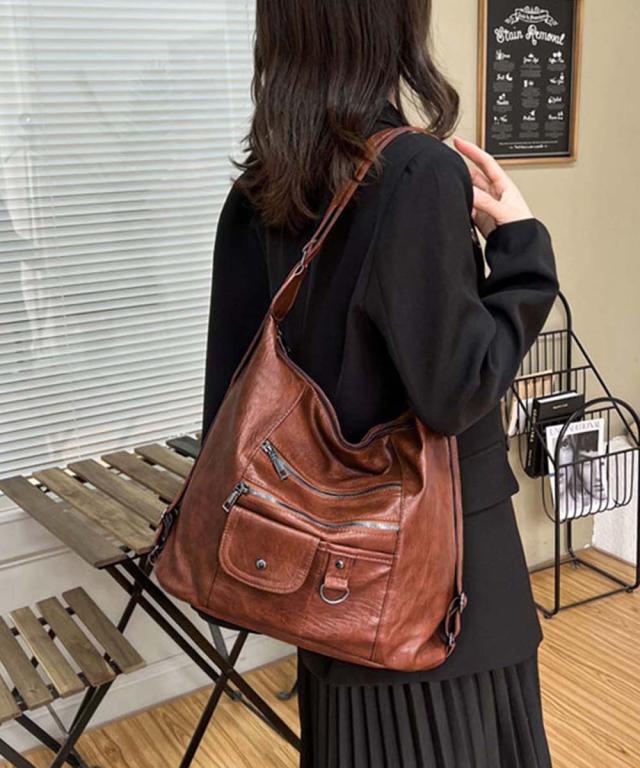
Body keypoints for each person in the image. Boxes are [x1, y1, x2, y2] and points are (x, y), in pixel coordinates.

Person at [201, 1, 559, 765]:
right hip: (441, 589)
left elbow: (228, 410)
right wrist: (523, 251)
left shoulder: (258, 189)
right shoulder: (416, 172)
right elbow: (457, 388)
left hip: (323, 593)